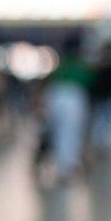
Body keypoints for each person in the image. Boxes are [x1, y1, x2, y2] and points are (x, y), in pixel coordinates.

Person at [42, 40, 94, 184]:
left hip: (56, 97)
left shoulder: (61, 65)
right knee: (70, 132)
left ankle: (62, 165)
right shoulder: (79, 64)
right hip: (72, 97)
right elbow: (89, 80)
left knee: (59, 132)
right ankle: (67, 165)